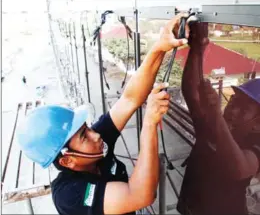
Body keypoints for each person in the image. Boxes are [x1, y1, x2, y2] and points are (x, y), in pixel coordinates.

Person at [16, 13, 189, 215]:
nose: (95, 134)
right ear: (67, 160)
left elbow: (130, 99)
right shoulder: (69, 194)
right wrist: (149, 123)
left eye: (86, 128)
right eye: (83, 136)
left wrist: (160, 47)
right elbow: (140, 195)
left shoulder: (95, 147)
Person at [177, 22, 260, 215]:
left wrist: (214, 112)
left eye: (244, 108)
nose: (233, 109)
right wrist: (197, 49)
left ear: (259, 120)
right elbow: (191, 92)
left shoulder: (259, 146)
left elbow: (238, 168)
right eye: (234, 100)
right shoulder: (212, 126)